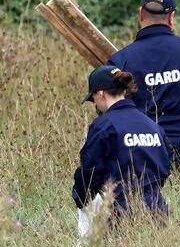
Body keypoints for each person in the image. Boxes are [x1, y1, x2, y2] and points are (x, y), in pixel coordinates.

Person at [109, 0, 180, 172]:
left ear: (141, 14)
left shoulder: (122, 60)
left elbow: (110, 109)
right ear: (172, 17)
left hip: (144, 153)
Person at [72, 64, 171, 221]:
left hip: (120, 215)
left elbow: (89, 172)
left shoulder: (103, 125)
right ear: (124, 91)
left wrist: (80, 198)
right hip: (158, 212)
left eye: (93, 99)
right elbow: (165, 167)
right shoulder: (152, 125)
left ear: (100, 93)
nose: (96, 105)